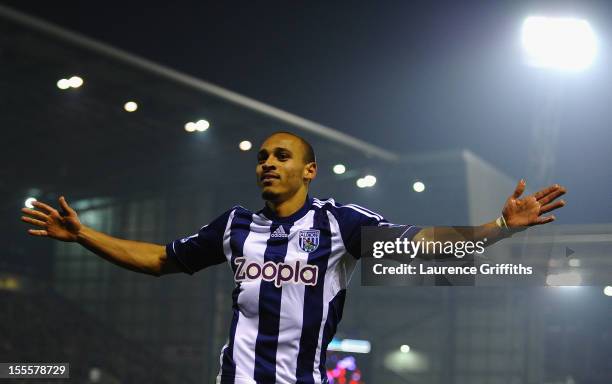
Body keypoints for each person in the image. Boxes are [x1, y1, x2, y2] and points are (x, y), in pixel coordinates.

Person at [21, 131, 566, 384]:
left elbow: (422, 244)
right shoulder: (235, 225)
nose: (267, 163)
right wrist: (84, 235)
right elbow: (162, 259)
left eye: (282, 156)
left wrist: (497, 228)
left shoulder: (338, 223)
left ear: (309, 171)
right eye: (261, 157)